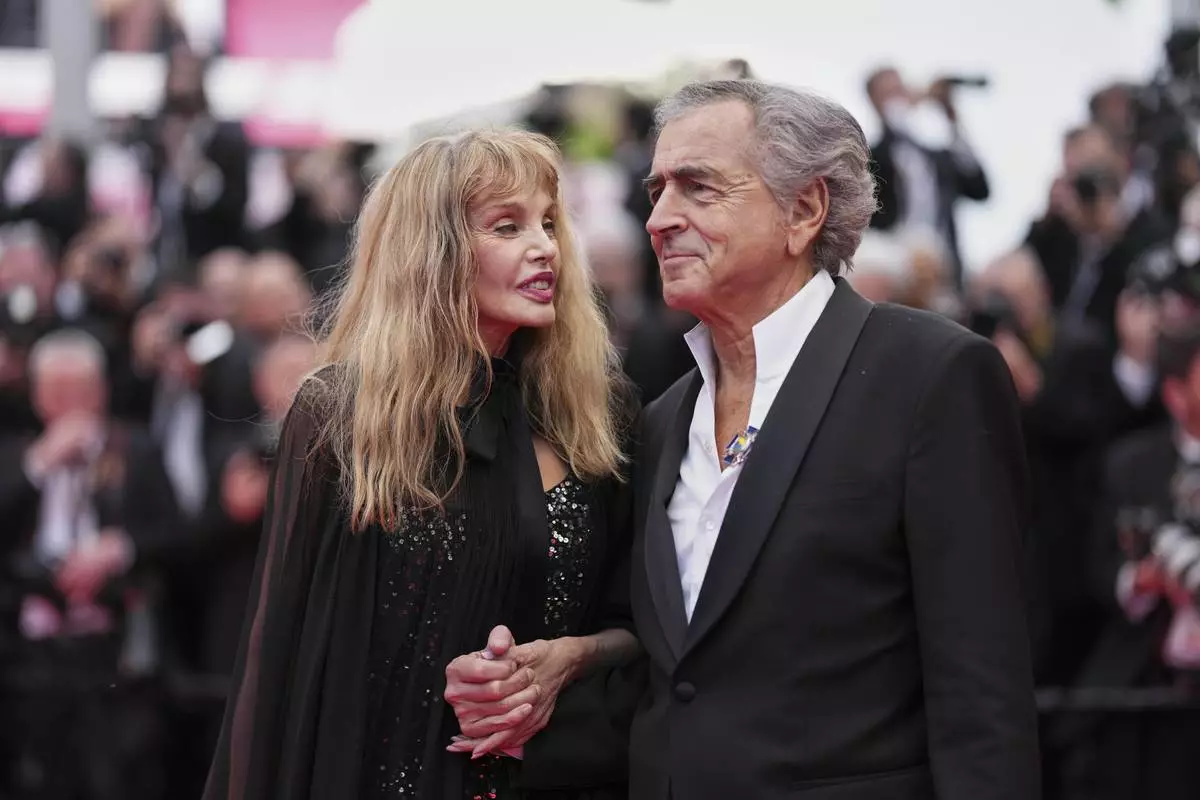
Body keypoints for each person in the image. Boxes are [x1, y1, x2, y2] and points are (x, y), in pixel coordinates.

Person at [202, 129, 641, 799]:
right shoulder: (342, 415)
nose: (544, 247)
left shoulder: (598, 410)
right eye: (507, 225)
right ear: (433, 252)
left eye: (549, 223)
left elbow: (638, 625)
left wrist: (572, 659)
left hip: (559, 778)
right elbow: (286, 661)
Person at [635, 79, 1038, 798]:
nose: (661, 217)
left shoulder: (930, 377)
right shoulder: (663, 419)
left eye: (698, 188)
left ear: (805, 209)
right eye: (657, 189)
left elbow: (982, 693)